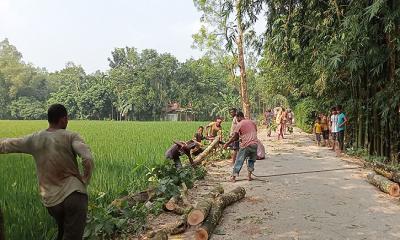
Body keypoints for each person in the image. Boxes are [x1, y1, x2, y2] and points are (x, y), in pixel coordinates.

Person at [0, 104, 94, 240]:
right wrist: (85, 179)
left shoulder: (34, 139)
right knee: (72, 235)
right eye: (66, 119)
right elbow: (87, 158)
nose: (67, 122)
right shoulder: (71, 136)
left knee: (63, 231)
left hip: (52, 201)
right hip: (74, 195)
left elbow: (7, 144)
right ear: (63, 119)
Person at [223, 111, 258, 182]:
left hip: (246, 145)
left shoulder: (240, 124)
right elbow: (253, 132)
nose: (237, 120)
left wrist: (227, 143)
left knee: (239, 160)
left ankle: (233, 177)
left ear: (239, 117)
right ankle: (249, 176)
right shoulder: (252, 122)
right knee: (251, 160)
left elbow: (235, 137)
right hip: (255, 144)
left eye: (237, 118)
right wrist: (242, 138)